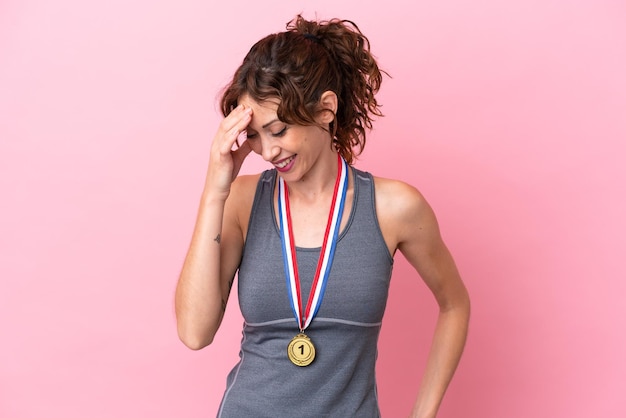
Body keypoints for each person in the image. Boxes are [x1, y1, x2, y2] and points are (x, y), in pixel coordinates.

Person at [175, 15, 470, 418]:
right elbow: (194, 333)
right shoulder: (241, 202)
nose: (266, 151)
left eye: (277, 130)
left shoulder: (393, 207)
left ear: (326, 110)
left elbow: (455, 305)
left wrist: (423, 413)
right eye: (255, 136)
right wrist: (215, 189)